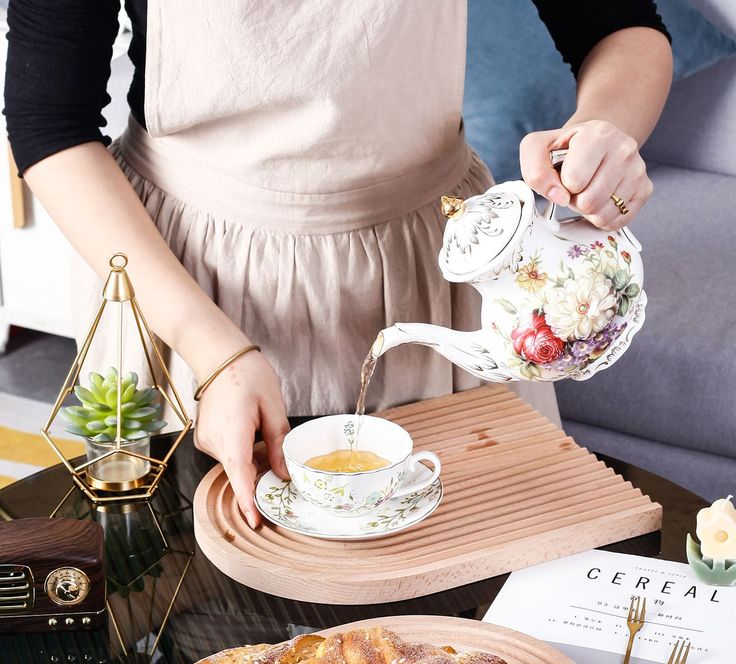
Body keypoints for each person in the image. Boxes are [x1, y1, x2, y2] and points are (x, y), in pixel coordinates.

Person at [5, 1, 672, 528]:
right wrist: (212, 351)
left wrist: (601, 132)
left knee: (472, 606)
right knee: (189, 621)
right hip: (181, 276)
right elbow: (49, 123)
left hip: (432, 260)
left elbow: (620, 27)